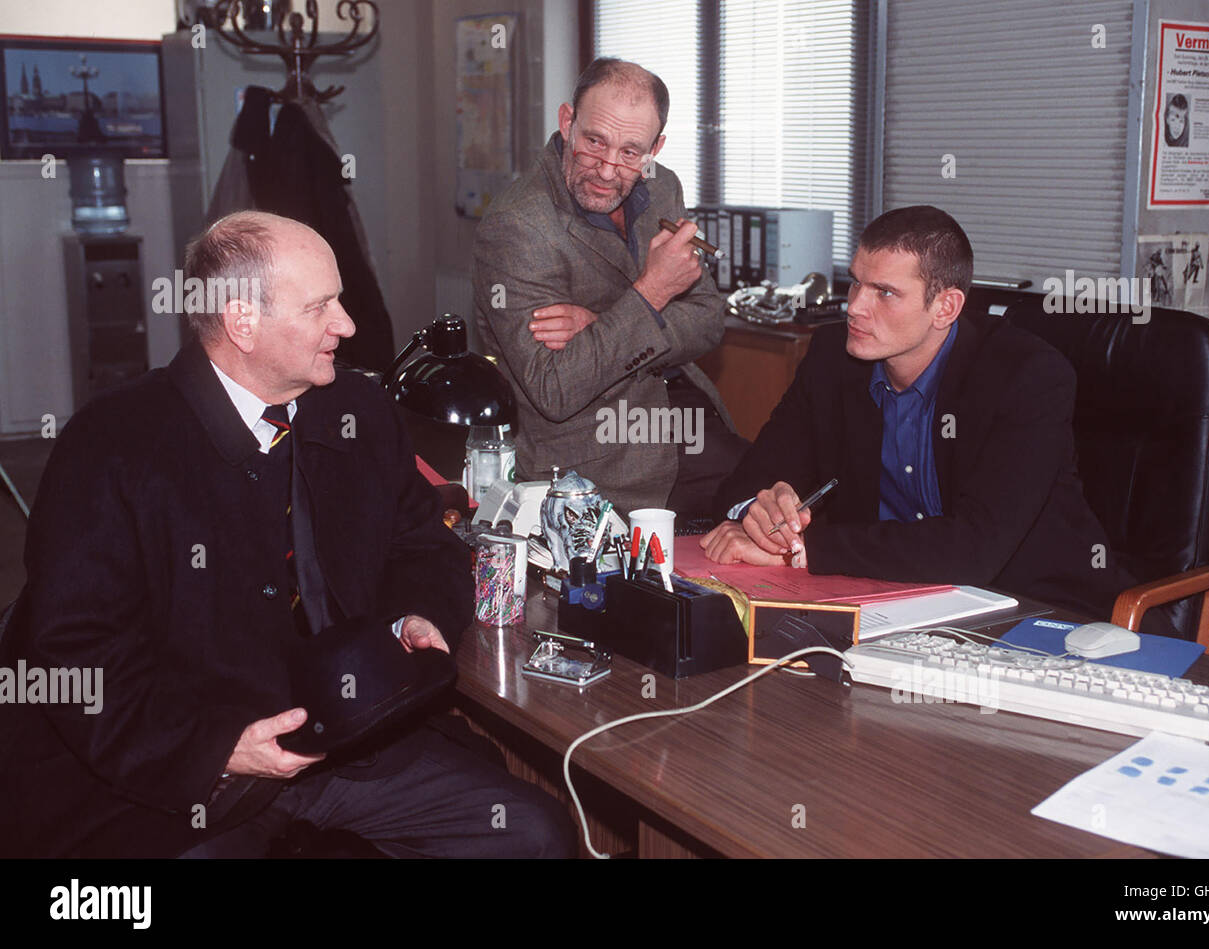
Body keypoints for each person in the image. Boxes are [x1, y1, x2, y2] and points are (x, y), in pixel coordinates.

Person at [0, 211, 573, 858]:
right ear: (242, 321)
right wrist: (215, 747)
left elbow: (422, 542)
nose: (348, 325)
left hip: (348, 743)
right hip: (193, 774)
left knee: (533, 834)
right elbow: (73, 655)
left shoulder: (359, 409)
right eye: (320, 306)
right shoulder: (113, 445)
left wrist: (414, 613)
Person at [702, 205, 1131, 621]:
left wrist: (802, 550)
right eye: (856, 283)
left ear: (945, 307)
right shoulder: (833, 358)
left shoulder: (1027, 376)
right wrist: (758, 516)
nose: (854, 307)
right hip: (889, 600)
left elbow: (973, 549)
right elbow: (746, 483)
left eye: (884, 293)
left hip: (1035, 608)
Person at [472, 58, 747, 517]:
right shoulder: (518, 226)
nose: (606, 170)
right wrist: (651, 295)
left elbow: (708, 319)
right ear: (567, 124)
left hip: (687, 423)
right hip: (595, 460)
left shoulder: (662, 188)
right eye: (594, 142)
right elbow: (555, 388)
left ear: (654, 149)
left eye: (630, 152)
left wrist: (605, 322)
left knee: (787, 500)